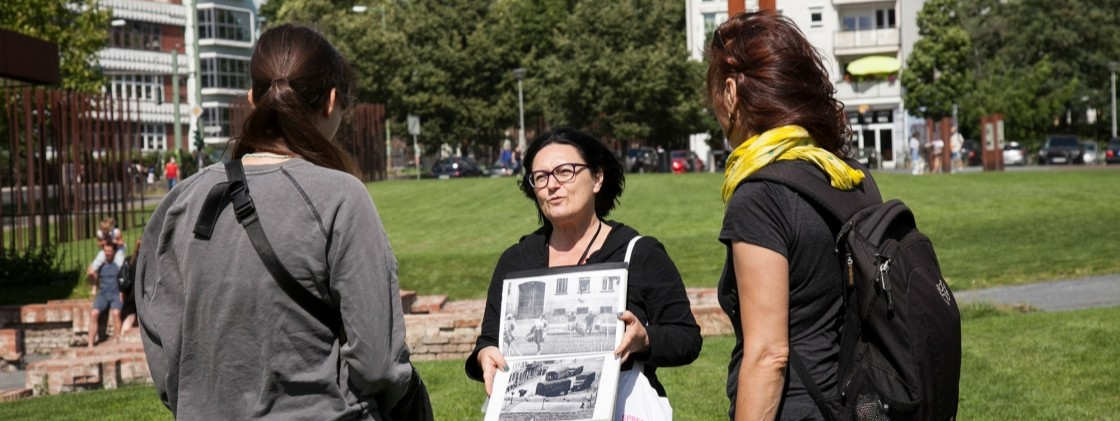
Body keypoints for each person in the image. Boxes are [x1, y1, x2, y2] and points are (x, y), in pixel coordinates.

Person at [136, 24, 417, 419]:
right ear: (332, 101)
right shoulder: (342, 196)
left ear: (252, 98)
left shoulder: (181, 201)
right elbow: (377, 363)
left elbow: (163, 348)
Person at [706, 11, 874, 419]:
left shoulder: (760, 198)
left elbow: (768, 356)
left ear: (730, 93)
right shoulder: (850, 177)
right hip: (858, 402)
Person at [465, 128, 702, 409]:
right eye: (540, 177)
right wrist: (485, 354)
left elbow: (686, 337)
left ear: (597, 179)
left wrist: (645, 339)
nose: (552, 185)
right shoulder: (516, 260)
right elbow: (491, 340)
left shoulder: (639, 253)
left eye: (565, 171)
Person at [87, 243, 123, 347]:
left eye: (109, 251)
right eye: (105, 251)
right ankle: (90, 343)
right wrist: (91, 276)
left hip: (115, 293)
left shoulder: (118, 264)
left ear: (114, 252)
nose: (107, 253)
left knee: (116, 313)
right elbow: (94, 280)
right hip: (103, 293)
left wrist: (122, 292)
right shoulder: (100, 264)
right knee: (94, 314)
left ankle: (117, 340)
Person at [119, 239, 140, 337]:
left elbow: (124, 278)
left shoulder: (128, 260)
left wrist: (122, 292)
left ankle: (122, 337)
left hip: (130, 295)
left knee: (129, 319)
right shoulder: (147, 261)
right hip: (142, 295)